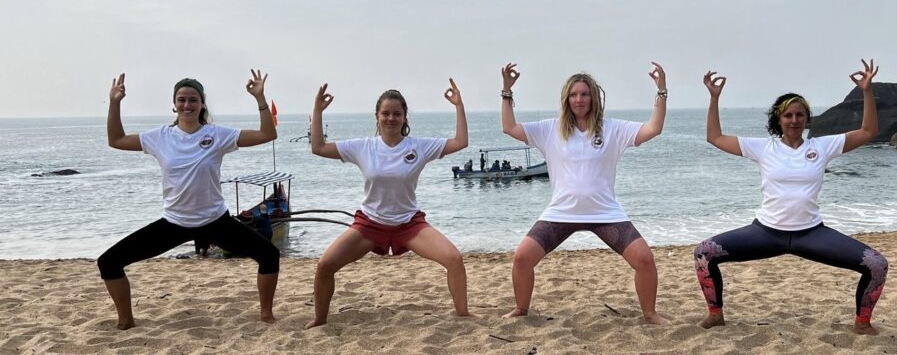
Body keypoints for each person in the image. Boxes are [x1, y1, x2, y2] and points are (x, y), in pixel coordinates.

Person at [694, 60, 888, 335]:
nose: (794, 120)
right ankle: (715, 315)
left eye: (799, 115)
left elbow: (868, 132)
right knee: (705, 252)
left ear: (807, 118)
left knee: (876, 264)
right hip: (766, 232)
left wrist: (867, 92)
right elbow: (714, 137)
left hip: (811, 234)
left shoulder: (822, 146)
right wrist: (714, 98)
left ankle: (863, 323)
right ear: (779, 120)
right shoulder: (763, 148)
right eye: (788, 116)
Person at [99, 71, 280, 330]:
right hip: (174, 222)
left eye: (193, 99)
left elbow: (266, 135)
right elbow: (116, 140)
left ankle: (266, 315)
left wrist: (260, 98)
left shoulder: (217, 135)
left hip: (215, 221)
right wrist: (115, 102)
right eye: (181, 99)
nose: (187, 105)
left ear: (202, 104)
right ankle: (126, 320)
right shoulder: (159, 137)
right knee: (108, 262)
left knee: (269, 255)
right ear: (174, 104)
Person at [500, 62, 669, 324]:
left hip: (605, 213)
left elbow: (652, 129)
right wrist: (507, 91)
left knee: (645, 260)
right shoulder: (550, 129)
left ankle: (650, 313)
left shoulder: (612, 128)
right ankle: (521, 308)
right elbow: (510, 127)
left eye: (584, 94)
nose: (579, 99)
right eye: (574, 94)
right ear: (566, 99)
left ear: (594, 98)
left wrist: (661, 92)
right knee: (522, 258)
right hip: (561, 212)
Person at [305, 80, 471, 328]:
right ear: (377, 117)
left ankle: (463, 314)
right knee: (325, 265)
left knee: (454, 259)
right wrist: (317, 111)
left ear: (405, 118)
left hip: (409, 224)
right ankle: (319, 319)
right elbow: (318, 147)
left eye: (397, 114)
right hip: (370, 224)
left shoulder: (419, 146)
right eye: (386, 113)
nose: (391, 118)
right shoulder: (364, 147)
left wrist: (459, 106)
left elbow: (460, 142)